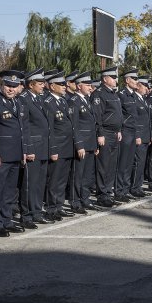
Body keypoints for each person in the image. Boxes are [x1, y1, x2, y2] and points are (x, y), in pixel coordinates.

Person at [0, 70, 27, 235]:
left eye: (14, 86)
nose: (11, 89)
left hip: (16, 154)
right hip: (1, 155)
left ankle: (7, 219)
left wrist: (24, 151)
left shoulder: (18, 102)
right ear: (1, 85)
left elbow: (22, 130)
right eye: (8, 85)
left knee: (10, 191)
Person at [17, 69, 53, 227]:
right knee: (29, 184)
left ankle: (37, 211)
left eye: (43, 83)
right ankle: (27, 215)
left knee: (39, 183)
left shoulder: (39, 99)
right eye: (40, 83)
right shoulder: (24, 99)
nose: (43, 86)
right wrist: (28, 149)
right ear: (31, 84)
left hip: (43, 147)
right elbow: (24, 128)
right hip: (33, 147)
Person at [44, 72, 75, 221]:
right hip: (57, 146)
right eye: (61, 84)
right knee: (54, 179)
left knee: (62, 179)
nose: (64, 87)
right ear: (51, 86)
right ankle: (51, 207)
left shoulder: (63, 101)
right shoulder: (48, 102)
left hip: (67, 146)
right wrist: (53, 149)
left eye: (64, 84)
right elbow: (49, 128)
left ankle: (59, 205)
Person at [91, 66, 123, 208]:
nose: (116, 79)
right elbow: (97, 116)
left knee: (111, 165)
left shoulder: (113, 94)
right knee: (103, 165)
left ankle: (108, 192)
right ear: (105, 79)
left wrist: (119, 130)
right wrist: (100, 134)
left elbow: (117, 115)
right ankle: (102, 195)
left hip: (115, 133)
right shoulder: (99, 94)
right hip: (105, 133)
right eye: (113, 77)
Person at [68, 72, 98, 213]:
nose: (90, 87)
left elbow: (92, 124)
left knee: (87, 175)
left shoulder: (87, 100)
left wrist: (94, 145)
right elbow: (74, 126)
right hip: (82, 145)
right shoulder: (74, 101)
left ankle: (85, 198)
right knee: (77, 175)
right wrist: (79, 145)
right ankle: (75, 201)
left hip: (90, 144)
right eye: (87, 85)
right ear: (79, 86)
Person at [115, 68, 140, 202]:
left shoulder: (134, 95)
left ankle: (125, 189)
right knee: (122, 163)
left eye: (137, 79)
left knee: (129, 162)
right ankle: (119, 191)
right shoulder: (121, 95)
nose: (137, 81)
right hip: (125, 132)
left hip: (133, 131)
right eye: (134, 79)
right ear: (127, 80)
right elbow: (120, 115)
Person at [130, 75, 152, 197]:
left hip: (145, 136)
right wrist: (137, 135)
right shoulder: (135, 99)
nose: (146, 89)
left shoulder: (143, 99)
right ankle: (134, 187)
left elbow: (147, 120)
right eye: (145, 86)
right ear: (138, 86)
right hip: (139, 136)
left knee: (141, 162)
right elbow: (135, 120)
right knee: (137, 162)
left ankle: (138, 186)